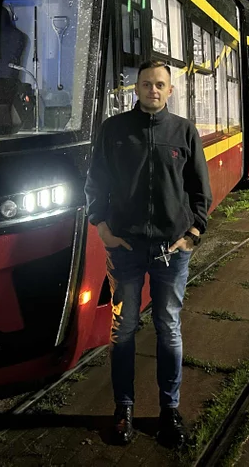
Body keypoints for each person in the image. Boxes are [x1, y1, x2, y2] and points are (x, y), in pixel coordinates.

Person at [84, 59, 212, 448]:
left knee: (168, 328)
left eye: (160, 85)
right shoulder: (114, 131)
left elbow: (199, 192)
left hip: (172, 252)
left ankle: (169, 411)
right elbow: (96, 183)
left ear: (170, 91)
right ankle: (123, 409)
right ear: (135, 88)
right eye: (145, 84)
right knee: (123, 329)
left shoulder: (184, 132)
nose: (153, 90)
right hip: (125, 248)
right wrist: (102, 227)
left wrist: (193, 233)